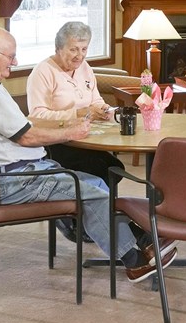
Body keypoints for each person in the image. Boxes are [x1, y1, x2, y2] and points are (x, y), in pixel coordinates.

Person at [0, 27, 176, 283]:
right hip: (14, 181)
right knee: (90, 191)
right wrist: (71, 131)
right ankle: (134, 258)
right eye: (10, 56)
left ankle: (142, 239)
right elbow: (26, 135)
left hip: (11, 175)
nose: (14, 62)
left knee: (96, 183)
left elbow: (22, 130)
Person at [26, 22, 123, 243]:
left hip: (83, 138)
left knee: (113, 168)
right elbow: (37, 116)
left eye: (84, 49)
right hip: (55, 143)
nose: (79, 56)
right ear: (59, 48)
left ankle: (97, 222)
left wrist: (106, 110)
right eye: (73, 49)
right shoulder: (43, 72)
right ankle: (73, 222)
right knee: (102, 168)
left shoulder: (85, 68)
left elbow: (96, 100)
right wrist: (77, 113)